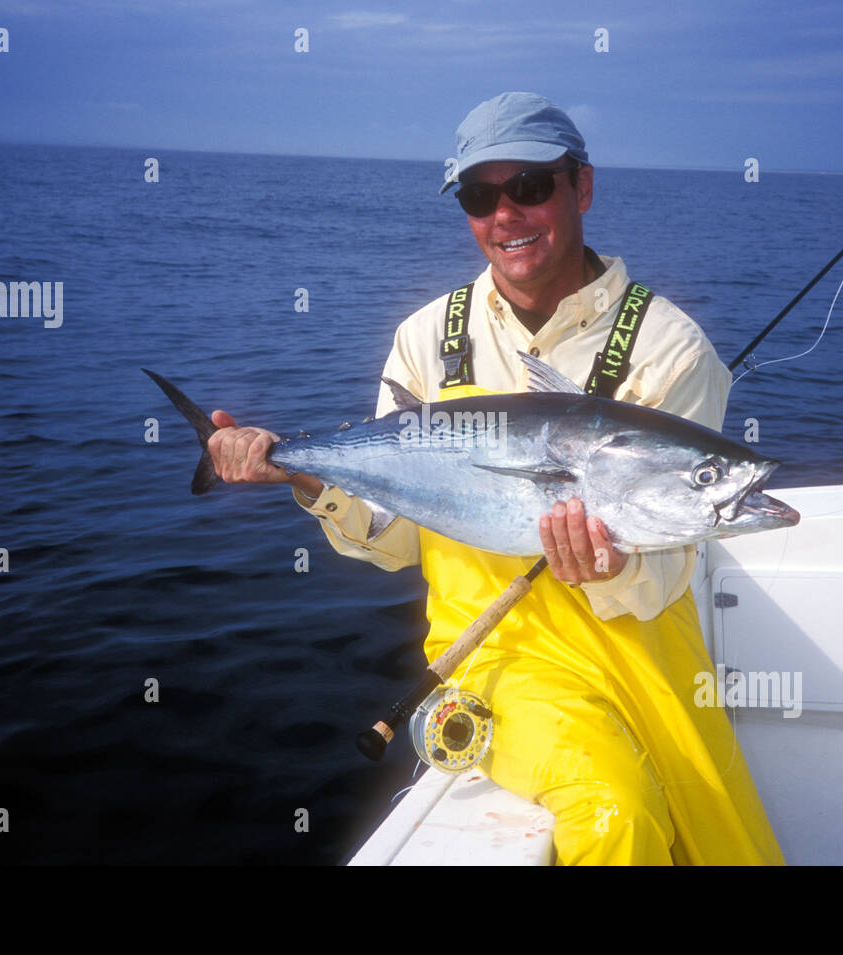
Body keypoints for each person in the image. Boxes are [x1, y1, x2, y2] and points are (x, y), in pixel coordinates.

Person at [207, 92, 784, 865]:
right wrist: (303, 477)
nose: (506, 214)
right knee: (614, 811)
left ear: (581, 187)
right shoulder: (426, 339)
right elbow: (396, 541)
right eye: (481, 196)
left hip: (647, 651)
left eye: (531, 186)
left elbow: (673, 560)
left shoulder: (669, 348)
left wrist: (610, 565)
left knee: (719, 839)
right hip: (498, 656)